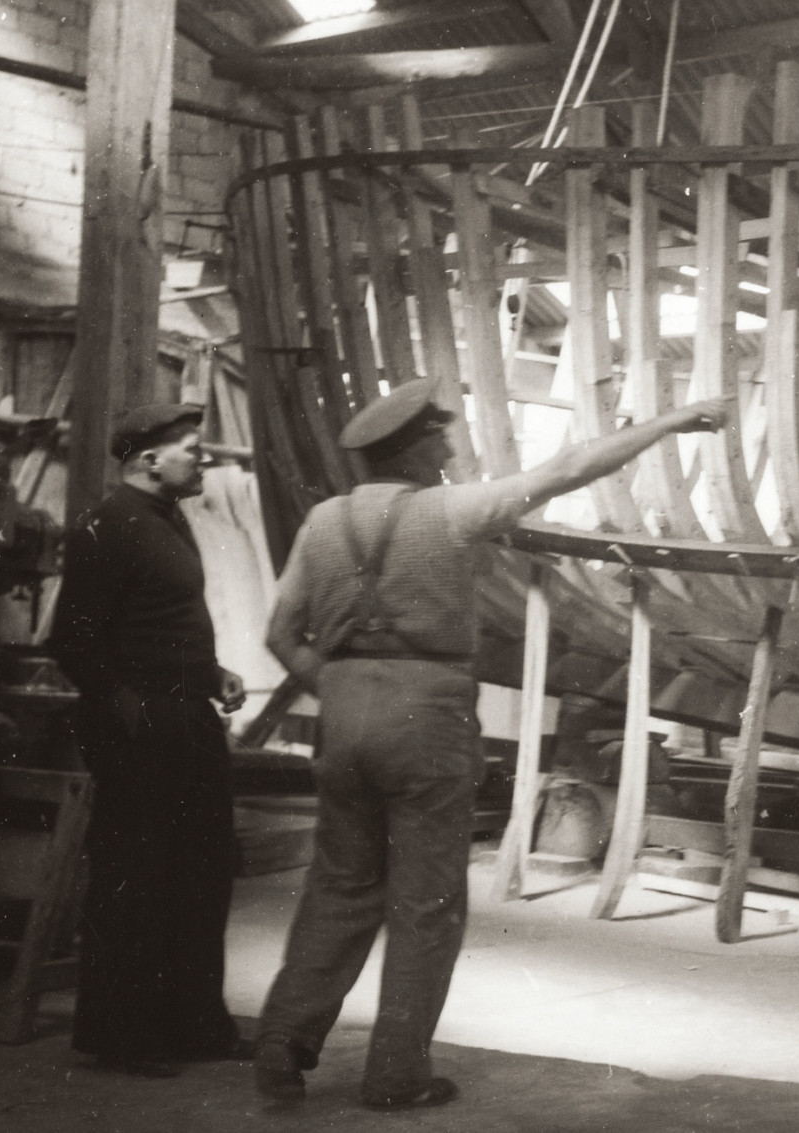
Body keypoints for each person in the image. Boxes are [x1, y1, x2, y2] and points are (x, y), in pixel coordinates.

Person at [254, 379, 727, 1110]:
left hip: (343, 710)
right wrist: (670, 421)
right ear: (412, 447)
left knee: (340, 886)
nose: (448, 447)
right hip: (427, 711)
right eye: (439, 437)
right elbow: (569, 468)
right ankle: (395, 1074)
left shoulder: (322, 522)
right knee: (426, 900)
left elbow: (280, 635)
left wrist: (348, 688)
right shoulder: (453, 509)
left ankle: (283, 1044)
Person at [48, 403, 250, 1077]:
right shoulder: (108, 526)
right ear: (147, 459)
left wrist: (209, 672)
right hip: (144, 730)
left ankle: (196, 1025)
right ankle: (125, 1037)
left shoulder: (168, 519)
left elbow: (157, 622)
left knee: (202, 871)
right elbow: (73, 640)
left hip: (186, 716)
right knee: (138, 880)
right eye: (192, 448)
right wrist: (126, 707)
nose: (204, 458)